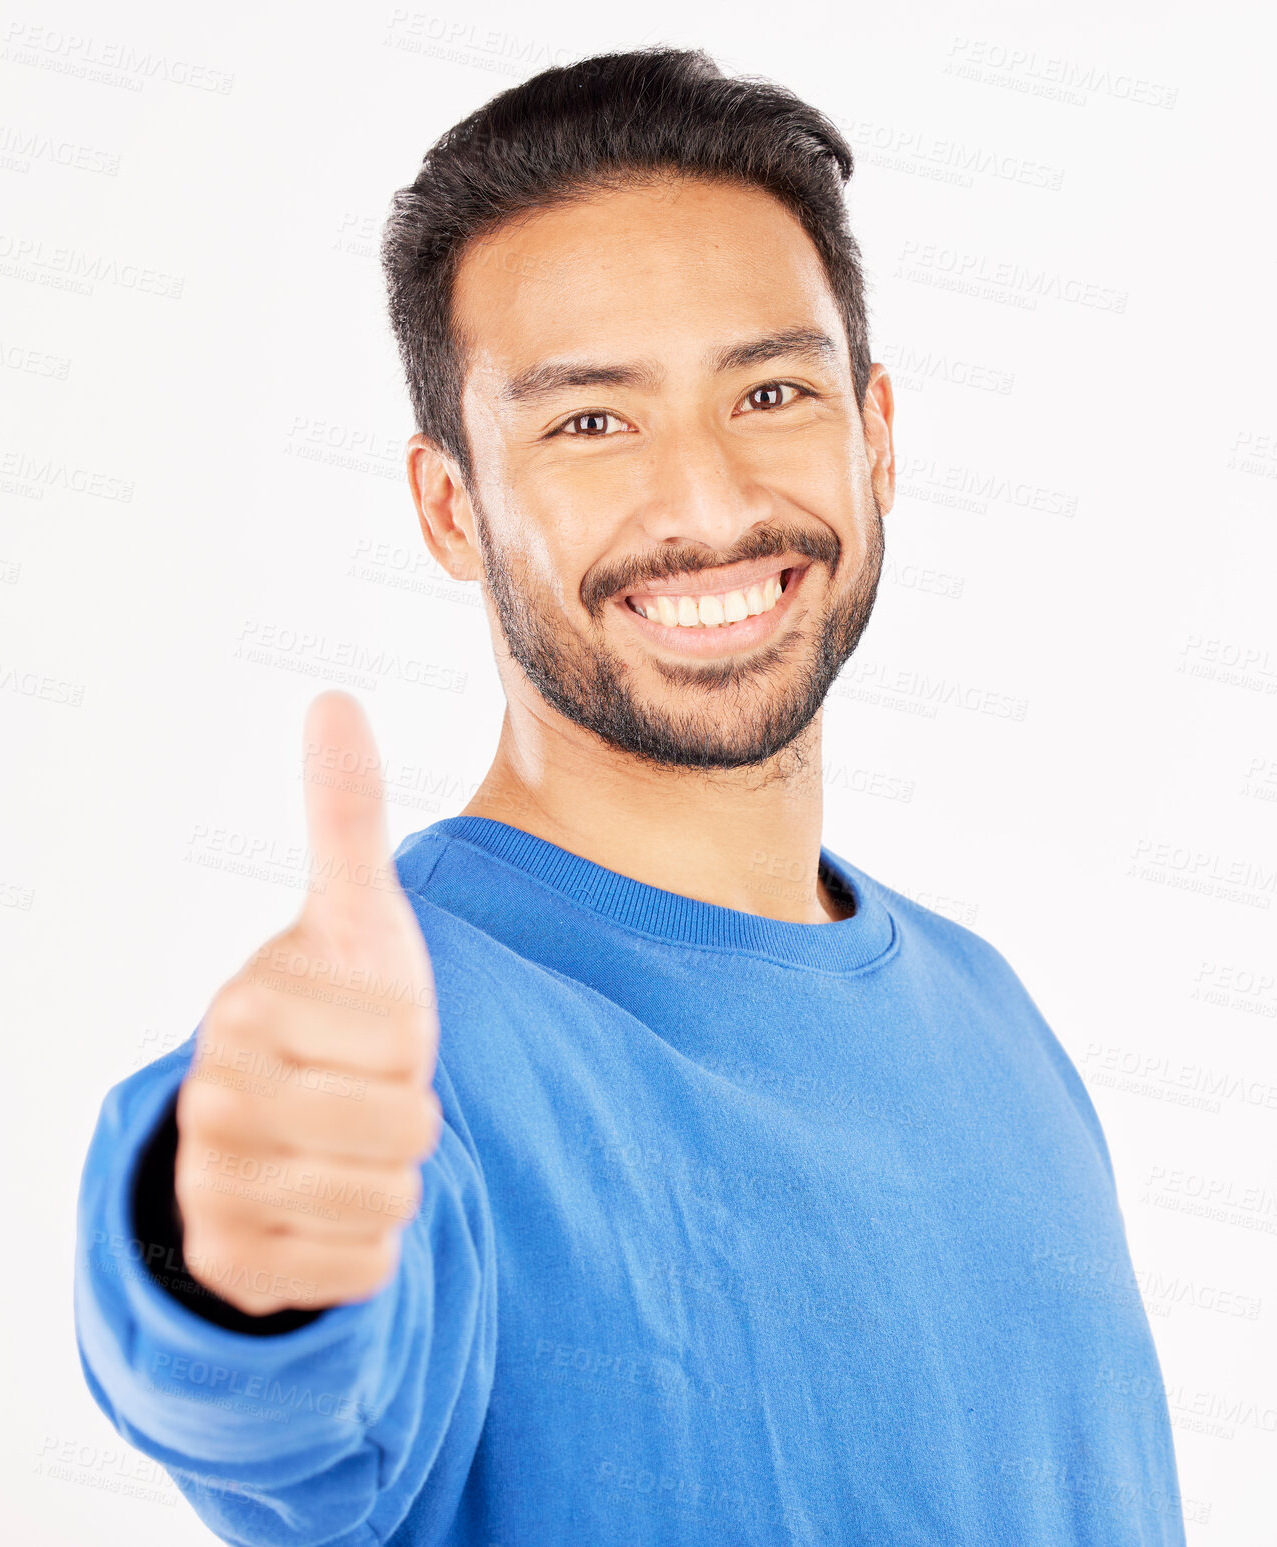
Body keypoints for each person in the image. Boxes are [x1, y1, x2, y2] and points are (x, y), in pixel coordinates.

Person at [74, 45, 1186, 1546]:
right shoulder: (406, 1061)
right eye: (592, 422)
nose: (710, 504)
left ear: (880, 438)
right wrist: (225, 1257)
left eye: (772, 391)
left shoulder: (998, 1018)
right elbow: (282, 1396)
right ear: (451, 505)